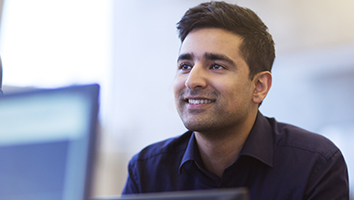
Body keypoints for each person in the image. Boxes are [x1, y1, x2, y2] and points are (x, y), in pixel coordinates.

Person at [122, 1, 349, 199]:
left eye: (216, 66)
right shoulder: (146, 171)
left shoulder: (315, 165)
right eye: (185, 66)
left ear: (259, 86)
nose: (192, 81)